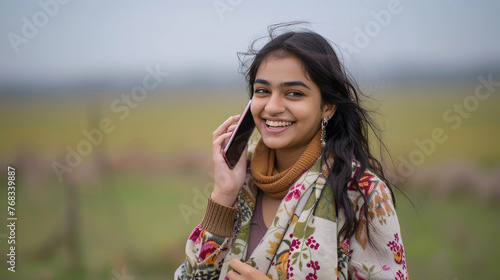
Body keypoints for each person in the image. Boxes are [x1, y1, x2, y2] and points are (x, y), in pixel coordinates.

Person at [175, 24, 408, 280]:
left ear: (328, 106)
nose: (272, 107)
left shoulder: (362, 192)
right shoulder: (241, 177)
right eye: (262, 91)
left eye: (294, 93)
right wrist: (224, 193)